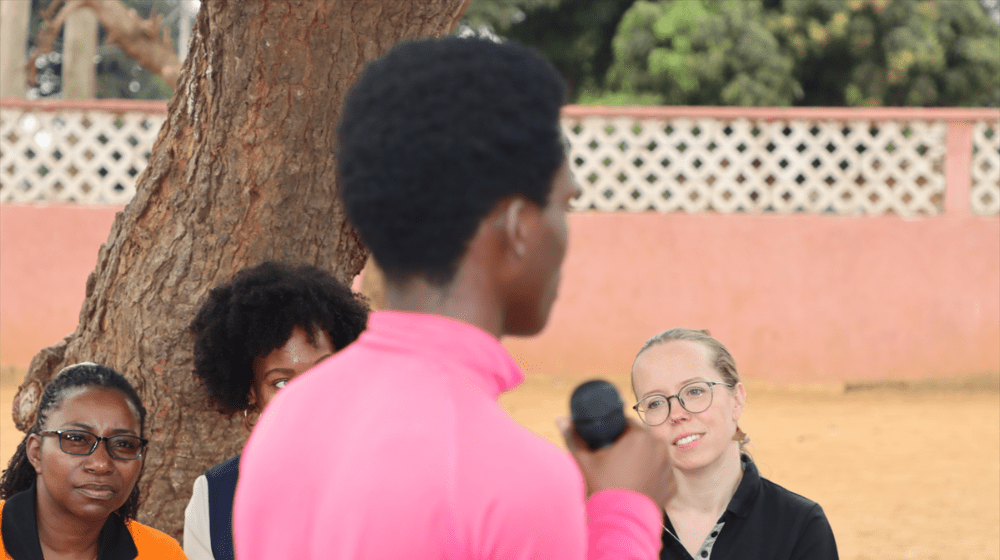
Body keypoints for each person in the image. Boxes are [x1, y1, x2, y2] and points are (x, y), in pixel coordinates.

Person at [233, 37, 673, 559]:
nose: (564, 233)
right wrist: (627, 511)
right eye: (563, 205)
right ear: (519, 228)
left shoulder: (287, 419)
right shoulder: (515, 477)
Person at [182, 261, 369, 560]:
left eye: (323, 372)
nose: (306, 397)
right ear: (252, 393)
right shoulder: (215, 498)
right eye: (281, 382)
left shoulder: (390, 475)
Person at [630, 328, 839, 560]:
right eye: (655, 403)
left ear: (736, 400)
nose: (677, 414)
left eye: (695, 391)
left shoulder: (800, 526)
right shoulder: (620, 529)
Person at [0, 362, 186, 559]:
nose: (101, 464)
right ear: (36, 453)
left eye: (123, 444)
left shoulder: (161, 553)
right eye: (77, 439)